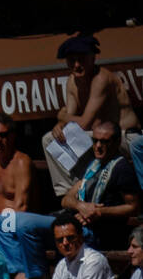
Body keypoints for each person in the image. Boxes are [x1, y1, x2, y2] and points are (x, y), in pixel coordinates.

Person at [42, 33, 140, 198]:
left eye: (81, 59)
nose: (77, 65)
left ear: (93, 58)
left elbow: (83, 123)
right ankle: (69, 194)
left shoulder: (101, 78)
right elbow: (72, 119)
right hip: (98, 138)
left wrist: (62, 117)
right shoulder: (72, 82)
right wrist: (60, 125)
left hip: (126, 139)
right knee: (49, 139)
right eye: (72, 60)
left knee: (82, 136)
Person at [0, 114, 46, 279]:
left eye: (3, 135)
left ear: (13, 136)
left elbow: (22, 206)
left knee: (5, 222)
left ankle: (14, 277)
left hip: (16, 225)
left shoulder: (22, 162)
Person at [60, 119, 139, 252]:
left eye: (104, 141)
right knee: (25, 226)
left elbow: (133, 207)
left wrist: (99, 212)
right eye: (95, 140)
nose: (98, 146)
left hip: (101, 231)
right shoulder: (93, 166)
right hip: (78, 222)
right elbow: (66, 199)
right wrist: (82, 207)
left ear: (117, 142)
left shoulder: (122, 169)